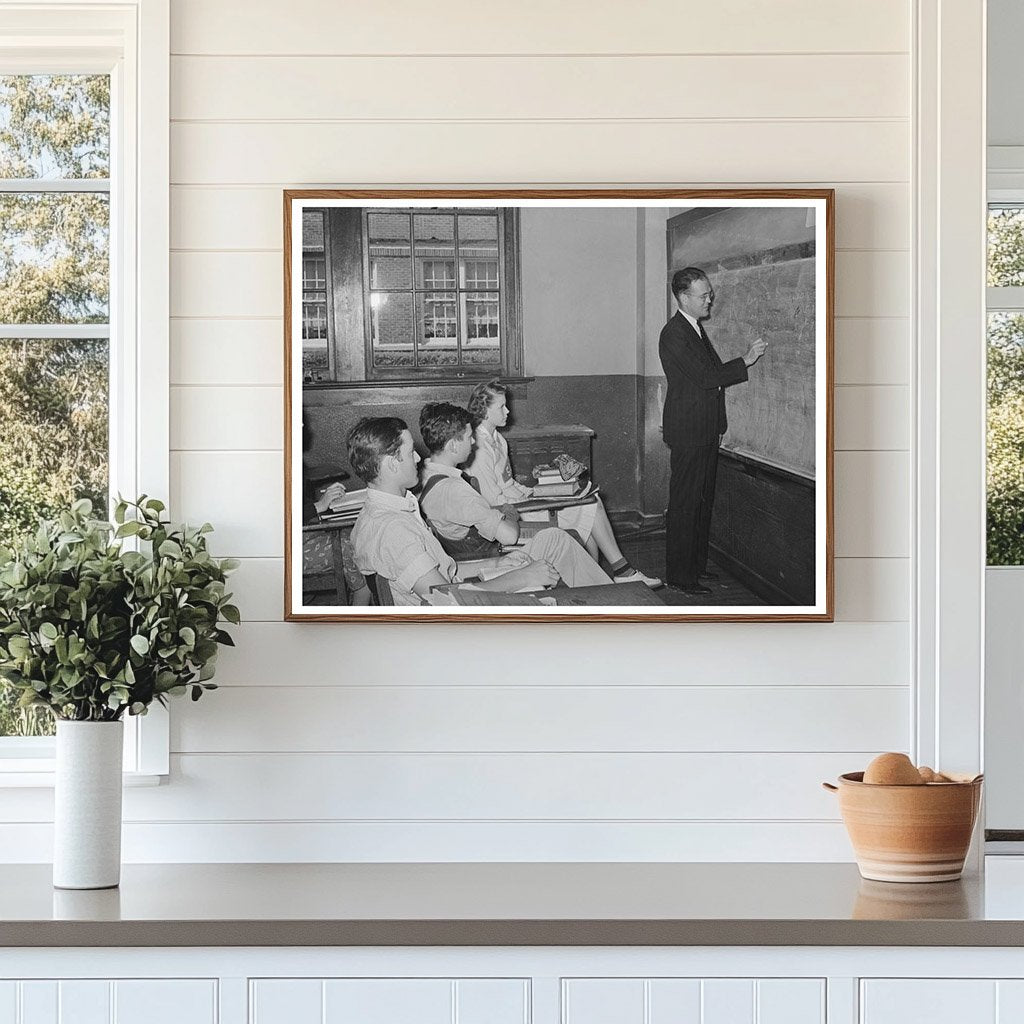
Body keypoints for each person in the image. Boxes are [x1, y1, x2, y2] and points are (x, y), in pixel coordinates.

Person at [349, 416, 571, 606]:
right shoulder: (394, 530)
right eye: (409, 453)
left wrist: (495, 564)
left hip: (454, 594)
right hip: (448, 624)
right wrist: (522, 577)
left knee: (553, 542)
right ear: (392, 464)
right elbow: (444, 598)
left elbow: (441, 574)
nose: (418, 458)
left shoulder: (376, 513)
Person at [464, 379, 661, 588]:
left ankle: (598, 577)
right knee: (590, 506)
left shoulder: (498, 440)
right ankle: (620, 572)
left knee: (589, 502)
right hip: (510, 515)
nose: (507, 411)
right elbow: (493, 501)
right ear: (485, 411)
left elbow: (509, 483)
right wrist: (532, 500)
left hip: (520, 503)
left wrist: (535, 491)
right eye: (501, 407)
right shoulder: (479, 447)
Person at [417, 402, 614, 590]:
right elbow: (509, 536)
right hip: (485, 566)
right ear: (453, 445)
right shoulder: (456, 491)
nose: (474, 441)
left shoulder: (426, 475)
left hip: (470, 558)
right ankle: (608, 596)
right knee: (559, 540)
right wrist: (509, 512)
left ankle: (601, 590)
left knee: (555, 537)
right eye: (469, 437)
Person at [659, 267, 768, 594]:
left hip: (705, 430)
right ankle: (680, 576)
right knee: (686, 505)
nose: (710, 299)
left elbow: (709, 377)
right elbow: (707, 378)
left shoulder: (694, 328)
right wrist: (745, 360)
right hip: (689, 432)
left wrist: (718, 424)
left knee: (701, 503)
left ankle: (695, 568)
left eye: (709, 294)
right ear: (683, 297)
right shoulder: (674, 333)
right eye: (703, 295)